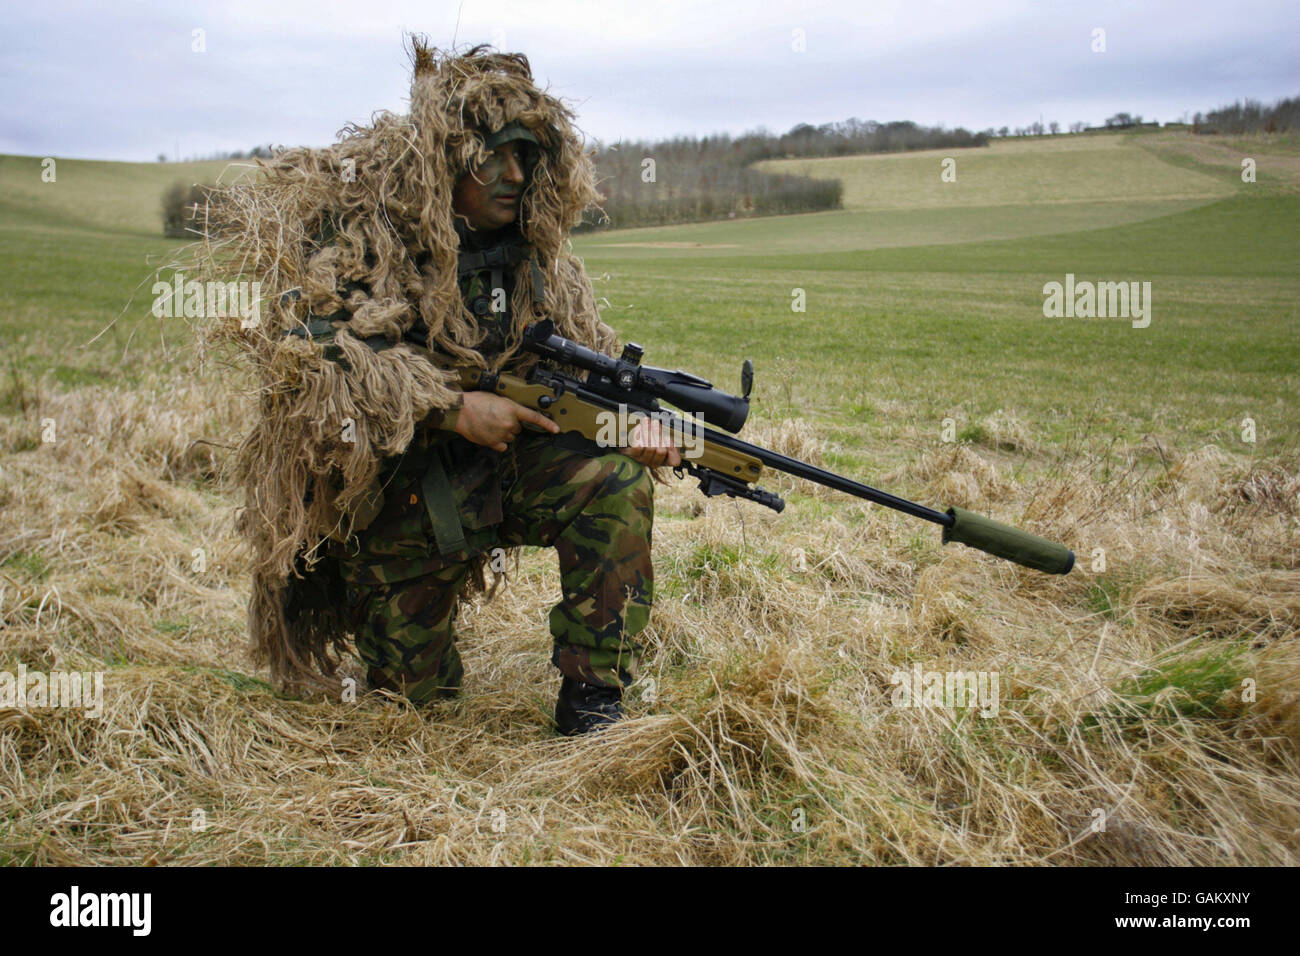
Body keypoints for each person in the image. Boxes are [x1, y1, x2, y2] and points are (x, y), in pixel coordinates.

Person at [203, 41, 678, 734]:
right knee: (412, 710)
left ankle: (593, 702)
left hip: (507, 476)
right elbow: (316, 364)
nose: (513, 175)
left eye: (526, 156)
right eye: (493, 156)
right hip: (399, 505)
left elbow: (588, 369)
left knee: (613, 481)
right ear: (446, 162)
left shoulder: (538, 261)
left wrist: (639, 427)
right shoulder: (368, 242)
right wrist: (451, 410)